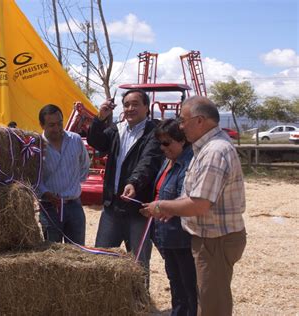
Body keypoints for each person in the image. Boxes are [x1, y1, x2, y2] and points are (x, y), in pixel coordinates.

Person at [142, 96, 247, 316]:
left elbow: (199, 205)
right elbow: (192, 195)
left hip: (215, 240)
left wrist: (162, 206)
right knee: (206, 300)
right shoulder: (208, 149)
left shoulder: (214, 152)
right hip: (211, 239)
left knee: (212, 306)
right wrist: (170, 207)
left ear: (199, 121)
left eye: (183, 120)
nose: (180, 125)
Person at [87, 89, 163, 287]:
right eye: (126, 104)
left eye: (135, 104)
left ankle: (140, 304)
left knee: (139, 263)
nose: (130, 108)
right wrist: (99, 118)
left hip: (139, 208)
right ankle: (105, 302)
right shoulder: (116, 129)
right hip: (112, 206)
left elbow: (149, 161)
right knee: (102, 257)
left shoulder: (154, 133)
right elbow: (96, 142)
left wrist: (134, 182)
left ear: (146, 107)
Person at [142, 118, 197, 316]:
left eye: (167, 143)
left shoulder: (190, 164)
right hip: (167, 235)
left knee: (189, 286)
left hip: (182, 236)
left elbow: (187, 199)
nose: (162, 148)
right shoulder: (169, 161)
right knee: (176, 283)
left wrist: (162, 207)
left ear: (182, 140)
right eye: (160, 143)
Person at [37, 104, 90, 245]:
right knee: (53, 255)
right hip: (49, 209)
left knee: (77, 253)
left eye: (60, 123)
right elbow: (33, 177)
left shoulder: (76, 139)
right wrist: (46, 193)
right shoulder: (36, 147)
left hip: (75, 206)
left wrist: (74, 185)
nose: (57, 128)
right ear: (42, 125)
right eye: (51, 125)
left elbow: (85, 165)